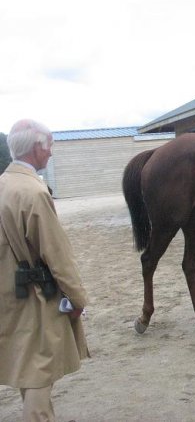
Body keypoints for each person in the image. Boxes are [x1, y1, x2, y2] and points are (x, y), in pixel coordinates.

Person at [0, 119, 89, 421]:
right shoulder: (33, 193)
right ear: (37, 148)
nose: (51, 152)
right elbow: (57, 255)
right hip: (37, 295)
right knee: (40, 367)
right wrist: (77, 298)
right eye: (49, 145)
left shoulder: (3, 184)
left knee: (27, 359)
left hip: (8, 291)